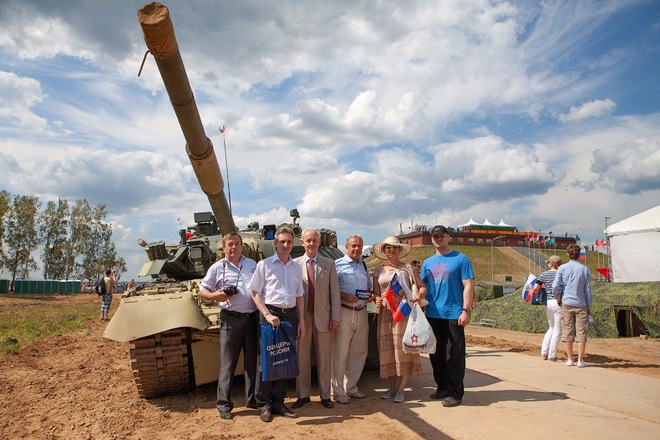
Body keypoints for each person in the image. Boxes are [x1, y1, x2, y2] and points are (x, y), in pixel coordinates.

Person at [199, 232, 258, 420]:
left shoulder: (252, 264)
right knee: (228, 363)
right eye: (230, 244)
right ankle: (224, 404)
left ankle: (253, 399)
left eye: (237, 244)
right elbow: (202, 289)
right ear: (223, 248)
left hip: (252, 318)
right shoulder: (217, 268)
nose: (234, 247)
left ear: (242, 246)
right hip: (231, 319)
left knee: (252, 362)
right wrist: (214, 295)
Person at [249, 226, 305, 422]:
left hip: (289, 317)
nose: (285, 245)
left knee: (285, 360)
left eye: (289, 242)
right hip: (270, 316)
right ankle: (264, 404)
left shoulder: (296, 268)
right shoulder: (264, 265)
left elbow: (299, 296)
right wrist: (266, 314)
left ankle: (279, 402)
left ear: (293, 243)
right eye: (282, 241)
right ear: (275, 243)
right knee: (266, 361)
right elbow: (255, 292)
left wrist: (302, 321)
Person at [421, 225, 474, 407]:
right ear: (432, 239)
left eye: (442, 235)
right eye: (435, 236)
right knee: (436, 354)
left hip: (454, 313)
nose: (439, 239)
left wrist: (466, 310)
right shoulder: (427, 262)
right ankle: (442, 387)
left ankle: (455, 393)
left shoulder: (461, 259)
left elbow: (468, 285)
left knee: (454, 355)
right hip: (433, 313)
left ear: (448, 237)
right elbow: (423, 286)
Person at [373, 236, 426, 404]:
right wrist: (377, 299)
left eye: (395, 247)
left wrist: (418, 296)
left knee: (403, 351)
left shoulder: (409, 268)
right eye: (388, 247)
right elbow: (376, 293)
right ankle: (393, 387)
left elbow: (422, 286)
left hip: (403, 313)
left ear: (400, 250)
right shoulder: (378, 270)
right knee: (387, 351)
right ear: (383, 250)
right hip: (385, 315)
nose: (391, 250)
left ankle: (402, 389)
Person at [292, 229, 341, 409]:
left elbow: (334, 293)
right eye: (308, 241)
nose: (311, 244)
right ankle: (302, 394)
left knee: (324, 358)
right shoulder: (294, 265)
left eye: (314, 240)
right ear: (302, 243)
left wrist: (335, 317)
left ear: (319, 243)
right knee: (301, 357)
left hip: (324, 318)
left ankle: (325, 395)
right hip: (302, 318)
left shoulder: (329, 264)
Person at [332, 234, 373, 404]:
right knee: (340, 353)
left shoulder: (363, 265)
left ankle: (351, 387)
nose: (356, 249)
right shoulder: (337, 264)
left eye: (359, 246)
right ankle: (337, 390)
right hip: (345, 311)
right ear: (347, 247)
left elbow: (369, 287)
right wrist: (344, 295)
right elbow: (331, 289)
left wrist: (370, 295)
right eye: (353, 245)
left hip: (361, 312)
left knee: (358, 352)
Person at [553, 243, 592, 368]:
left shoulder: (562, 268)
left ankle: (570, 359)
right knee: (581, 331)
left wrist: (558, 297)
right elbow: (587, 290)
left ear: (567, 254)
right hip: (581, 303)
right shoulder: (585, 269)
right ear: (579, 255)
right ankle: (580, 360)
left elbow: (555, 286)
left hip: (567, 302)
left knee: (567, 330)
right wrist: (589, 306)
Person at [532, 255, 562, 362]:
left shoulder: (544, 274)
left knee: (551, 328)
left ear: (552, 264)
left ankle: (544, 352)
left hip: (548, 302)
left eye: (549, 262)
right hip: (559, 301)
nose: (548, 264)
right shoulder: (561, 274)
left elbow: (536, 288)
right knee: (558, 329)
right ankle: (552, 355)